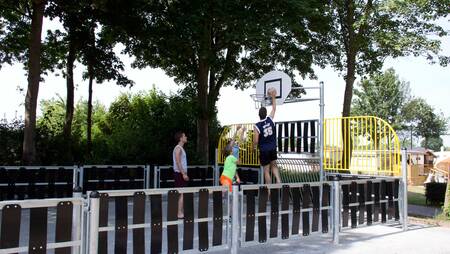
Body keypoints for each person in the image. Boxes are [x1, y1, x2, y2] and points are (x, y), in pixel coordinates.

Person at [253, 90, 281, 184]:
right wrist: (273, 96)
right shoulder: (270, 119)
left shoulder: (257, 126)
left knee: (266, 170)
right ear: (266, 114)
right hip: (272, 147)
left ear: (258, 115)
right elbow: (274, 109)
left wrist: (253, 148)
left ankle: (269, 190)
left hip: (264, 150)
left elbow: (256, 141)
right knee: (274, 165)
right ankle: (278, 180)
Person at [173, 131, 189, 219]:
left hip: (180, 173)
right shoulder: (178, 148)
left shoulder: (180, 148)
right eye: (184, 136)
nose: (186, 137)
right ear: (181, 138)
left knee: (182, 193)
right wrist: (183, 174)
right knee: (182, 193)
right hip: (179, 173)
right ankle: (179, 213)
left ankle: (180, 212)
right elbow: (178, 162)